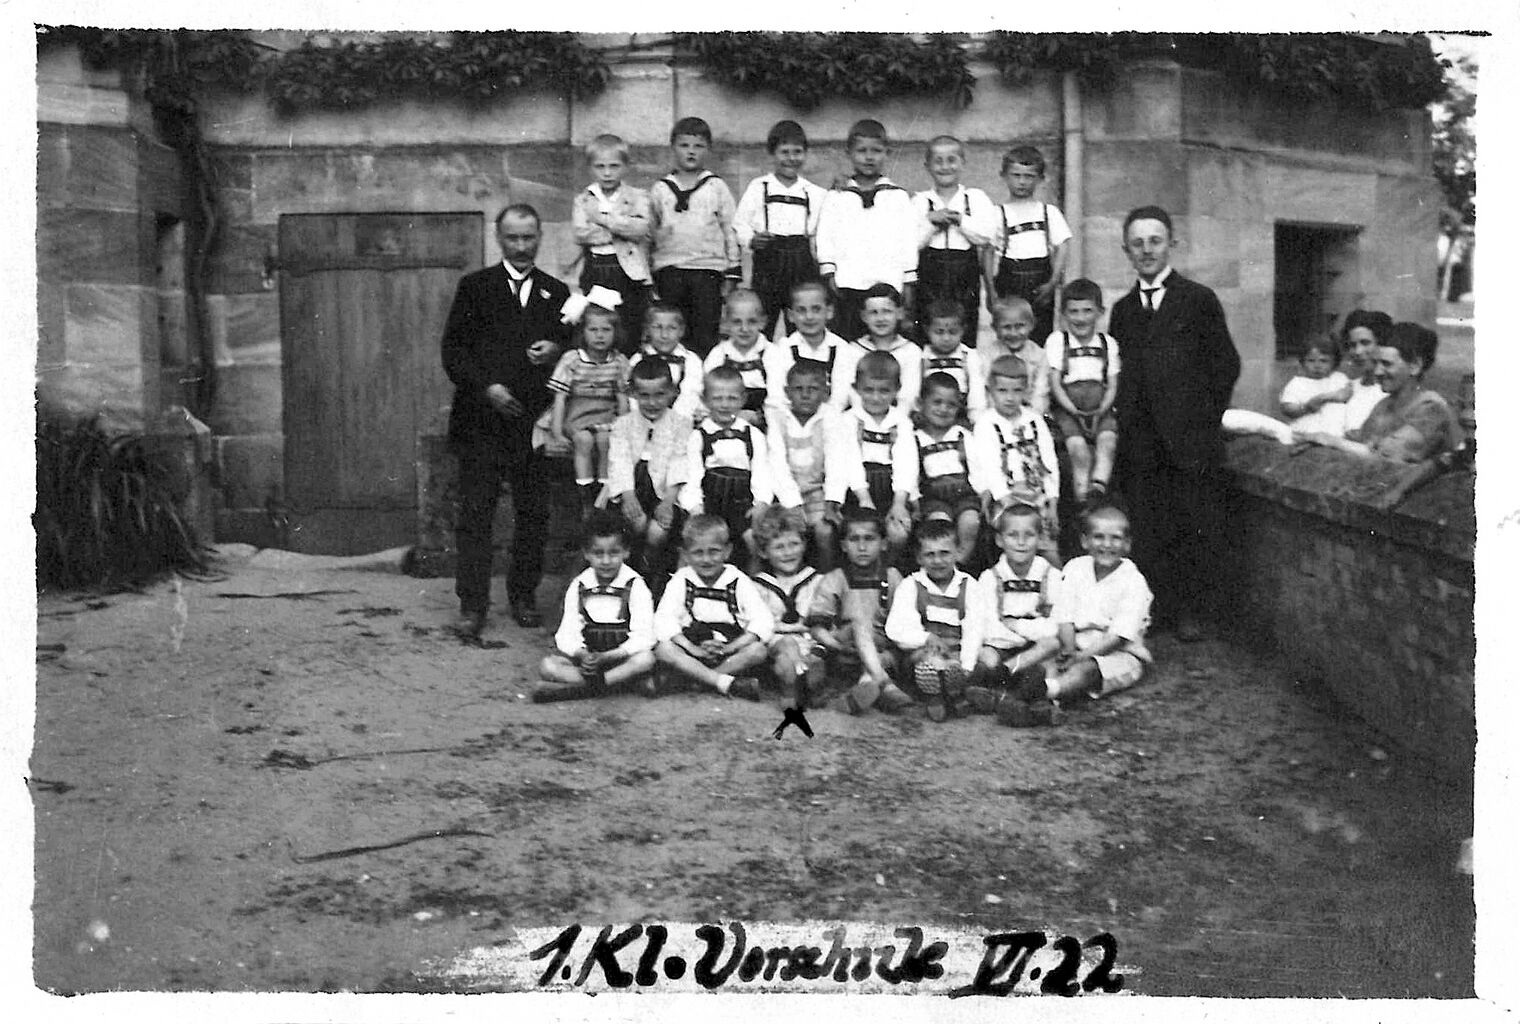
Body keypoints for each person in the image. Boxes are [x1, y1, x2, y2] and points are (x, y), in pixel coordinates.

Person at [1108, 204, 1240, 642]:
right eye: (1137, 243)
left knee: (1192, 524)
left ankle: (1190, 612)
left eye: (1155, 241)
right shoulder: (1123, 310)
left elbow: (1225, 365)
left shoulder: (1198, 300)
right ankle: (1154, 611)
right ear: (1127, 250)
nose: (1147, 250)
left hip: (1190, 443)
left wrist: (1200, 422)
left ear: (1171, 245)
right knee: (1148, 526)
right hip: (1141, 445)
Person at [441, 203, 570, 636]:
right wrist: (488, 388)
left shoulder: (556, 292)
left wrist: (556, 350)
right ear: (498, 239)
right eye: (512, 238)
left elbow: (576, 353)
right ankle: (472, 605)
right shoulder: (475, 287)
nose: (520, 246)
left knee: (532, 514)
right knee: (476, 515)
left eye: (528, 237)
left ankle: (523, 596)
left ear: (539, 238)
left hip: (531, 422)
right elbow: (453, 352)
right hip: (481, 421)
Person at [994, 502, 1153, 728]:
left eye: (1116, 538)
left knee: (1086, 670)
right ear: (1085, 541)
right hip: (1076, 644)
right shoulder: (1076, 568)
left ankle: (1037, 696)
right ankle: (1023, 700)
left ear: (1127, 544)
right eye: (1098, 537)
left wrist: (1080, 657)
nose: (1107, 545)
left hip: (1121, 653)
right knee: (1050, 664)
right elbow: (1065, 616)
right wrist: (1069, 650)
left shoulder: (1134, 581)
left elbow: (1118, 637)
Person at [533, 511, 656, 702]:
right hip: (588, 662)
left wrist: (610, 656)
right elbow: (567, 632)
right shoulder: (579, 585)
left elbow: (644, 635)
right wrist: (582, 654)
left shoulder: (635, 585)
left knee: (646, 659)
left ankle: (581, 690)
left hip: (621, 658)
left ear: (626, 552)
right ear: (587, 554)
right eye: (598, 553)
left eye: (614, 553)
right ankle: (615, 684)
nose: (606, 561)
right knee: (548, 666)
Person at [1295, 322, 1460, 464]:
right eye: (1376, 363)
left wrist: (1330, 441)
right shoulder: (1384, 406)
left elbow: (1388, 456)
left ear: (1414, 366)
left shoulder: (1431, 408)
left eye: (1387, 364)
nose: (1378, 371)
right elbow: (1360, 445)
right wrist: (1318, 442)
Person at [815, 119, 920, 341]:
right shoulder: (837, 195)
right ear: (849, 153)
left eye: (876, 151)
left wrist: (908, 278)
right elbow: (825, 236)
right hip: (848, 282)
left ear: (887, 153)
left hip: (887, 282)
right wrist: (829, 270)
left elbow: (908, 240)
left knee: (884, 338)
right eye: (862, 151)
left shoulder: (898, 196)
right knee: (849, 340)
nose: (869, 157)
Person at [652, 514, 773, 700]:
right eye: (698, 553)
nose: (706, 559)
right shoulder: (681, 579)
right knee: (664, 649)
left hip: (729, 650)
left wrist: (729, 648)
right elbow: (664, 619)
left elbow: (762, 620)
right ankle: (724, 683)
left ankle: (697, 680)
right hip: (692, 648)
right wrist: (691, 648)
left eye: (714, 551)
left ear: (727, 551)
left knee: (758, 650)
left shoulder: (738, 580)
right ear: (685, 554)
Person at [649, 116, 741, 355]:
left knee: (705, 332)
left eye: (698, 146)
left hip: (707, 270)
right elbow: (649, 232)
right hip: (670, 270)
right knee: (672, 329)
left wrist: (732, 271)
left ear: (708, 149)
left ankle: (702, 373)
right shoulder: (660, 189)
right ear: (673, 148)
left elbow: (730, 228)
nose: (691, 151)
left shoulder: (716, 187)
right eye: (684, 145)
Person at [808, 509, 914, 715]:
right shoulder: (835, 578)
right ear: (843, 546)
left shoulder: (892, 577)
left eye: (869, 539)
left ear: (883, 544)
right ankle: (884, 685)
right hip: (845, 649)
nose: (862, 547)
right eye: (854, 539)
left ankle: (863, 689)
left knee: (881, 655)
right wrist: (836, 644)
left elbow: (904, 621)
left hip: (882, 649)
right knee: (859, 623)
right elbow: (817, 627)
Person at [885, 518, 991, 723]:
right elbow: (896, 628)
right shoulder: (911, 585)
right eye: (930, 554)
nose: (938, 561)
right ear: (919, 558)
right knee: (928, 662)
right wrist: (926, 638)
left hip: (958, 651)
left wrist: (966, 665)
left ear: (958, 552)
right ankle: (942, 695)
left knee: (985, 661)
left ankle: (952, 688)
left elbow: (974, 628)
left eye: (944, 553)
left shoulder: (969, 585)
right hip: (924, 652)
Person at [967, 503, 1062, 715]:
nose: (1021, 542)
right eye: (1012, 535)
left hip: (1036, 648)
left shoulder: (1051, 576)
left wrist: (1017, 626)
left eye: (1029, 535)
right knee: (986, 656)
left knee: (1051, 647)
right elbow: (988, 626)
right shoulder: (990, 578)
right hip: (1002, 646)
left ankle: (1017, 692)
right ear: (999, 540)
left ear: (1040, 538)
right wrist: (1017, 638)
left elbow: (1055, 626)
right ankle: (1005, 693)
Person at [735, 120, 826, 340]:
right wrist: (752, 240)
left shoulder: (813, 192)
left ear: (805, 154)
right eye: (784, 152)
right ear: (772, 154)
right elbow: (740, 223)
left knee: (801, 319)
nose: (791, 158)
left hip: (801, 261)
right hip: (768, 260)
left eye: (797, 152)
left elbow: (823, 228)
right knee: (763, 318)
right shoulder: (759, 187)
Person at [605, 358, 692, 587]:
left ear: (672, 392)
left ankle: (652, 571)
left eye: (659, 395)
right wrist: (628, 497)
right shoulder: (623, 424)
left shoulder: (681, 423)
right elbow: (619, 461)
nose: (652, 403)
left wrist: (668, 503)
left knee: (656, 532)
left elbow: (679, 462)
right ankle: (631, 573)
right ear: (633, 394)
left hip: (665, 491)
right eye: (644, 395)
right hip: (632, 487)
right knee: (636, 522)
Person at [541, 304, 632, 515]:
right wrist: (557, 432)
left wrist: (624, 429)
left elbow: (622, 398)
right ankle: (586, 494)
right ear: (583, 332)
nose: (599, 336)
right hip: (577, 415)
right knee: (584, 440)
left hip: (605, 414)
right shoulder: (572, 359)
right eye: (593, 330)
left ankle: (604, 493)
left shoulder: (619, 361)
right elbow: (560, 398)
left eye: (606, 330)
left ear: (615, 333)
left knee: (605, 440)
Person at [971, 355, 1060, 563]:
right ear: (990, 391)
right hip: (1005, 499)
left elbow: (1049, 462)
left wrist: (1052, 502)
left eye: (1017, 391)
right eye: (1002, 391)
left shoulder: (1034, 420)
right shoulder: (986, 423)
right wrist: (1007, 501)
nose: (1010, 398)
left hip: (1037, 496)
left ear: (1026, 390)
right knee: (1017, 543)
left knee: (1049, 552)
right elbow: (989, 467)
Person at [679, 365, 773, 561]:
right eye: (717, 398)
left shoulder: (753, 435)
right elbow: (693, 476)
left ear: (743, 399)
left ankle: (756, 575)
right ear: (705, 399)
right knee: (698, 538)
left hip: (742, 503)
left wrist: (761, 503)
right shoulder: (698, 436)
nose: (724, 405)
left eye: (732, 398)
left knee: (753, 540)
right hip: (710, 503)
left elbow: (761, 472)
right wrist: (695, 509)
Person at [571, 133, 652, 352]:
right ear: (590, 168)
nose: (607, 173)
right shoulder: (584, 199)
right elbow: (581, 233)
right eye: (600, 166)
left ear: (625, 166)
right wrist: (621, 229)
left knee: (629, 325)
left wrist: (601, 219)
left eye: (614, 166)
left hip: (627, 271)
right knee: (596, 323)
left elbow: (640, 229)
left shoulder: (637, 196)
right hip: (596, 267)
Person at [769, 361, 852, 571]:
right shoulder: (778, 418)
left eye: (813, 389)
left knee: (824, 530)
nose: (805, 395)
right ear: (787, 392)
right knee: (786, 532)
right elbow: (777, 464)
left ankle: (826, 575)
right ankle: (791, 577)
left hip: (818, 492)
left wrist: (832, 501)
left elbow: (837, 461)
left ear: (825, 392)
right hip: (785, 494)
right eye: (798, 389)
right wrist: (792, 504)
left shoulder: (831, 417)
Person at [913, 135, 997, 340]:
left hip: (964, 276)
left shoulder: (975, 198)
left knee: (965, 326)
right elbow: (911, 242)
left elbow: (986, 235)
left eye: (951, 160)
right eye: (938, 161)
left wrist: (960, 220)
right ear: (927, 166)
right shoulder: (919, 201)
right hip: (930, 277)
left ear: (962, 163)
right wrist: (931, 222)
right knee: (928, 327)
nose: (945, 167)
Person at [987, 145, 1071, 346]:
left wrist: (1053, 282)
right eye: (1016, 175)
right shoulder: (997, 213)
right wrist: (990, 290)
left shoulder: (1048, 212)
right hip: (1009, 281)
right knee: (1009, 332)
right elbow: (988, 252)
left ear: (1040, 178)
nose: (1022, 182)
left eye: (1029, 176)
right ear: (1004, 176)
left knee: (1040, 334)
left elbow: (1063, 246)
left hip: (1041, 282)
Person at [1045, 278, 1120, 501]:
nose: (1080, 318)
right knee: (1079, 453)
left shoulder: (1107, 343)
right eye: (1073, 311)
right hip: (1068, 407)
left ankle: (1098, 488)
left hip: (1100, 406)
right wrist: (1072, 409)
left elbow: (1112, 383)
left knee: (1108, 444)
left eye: (1087, 311)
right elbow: (1055, 382)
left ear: (1100, 312)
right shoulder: (1058, 340)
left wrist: (1102, 408)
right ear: (1063, 314)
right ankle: (1082, 499)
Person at [751, 505, 826, 707]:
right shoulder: (758, 586)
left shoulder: (816, 580)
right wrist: (790, 633)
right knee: (787, 647)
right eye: (779, 547)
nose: (788, 553)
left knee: (814, 653)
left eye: (794, 544)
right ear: (764, 552)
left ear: (804, 545)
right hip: (776, 644)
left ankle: (806, 681)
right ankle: (792, 691)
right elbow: (761, 625)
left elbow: (821, 619)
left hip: (810, 642)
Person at [844, 351, 916, 559]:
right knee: (863, 532)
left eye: (884, 391)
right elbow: (850, 462)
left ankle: (888, 570)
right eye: (868, 390)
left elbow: (906, 464)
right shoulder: (849, 420)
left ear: (897, 389)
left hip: (891, 490)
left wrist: (899, 503)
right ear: (857, 388)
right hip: (858, 491)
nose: (876, 397)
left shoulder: (901, 422)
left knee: (898, 533)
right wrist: (864, 499)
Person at [1375, 373, 1475, 509]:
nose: (1466, 415)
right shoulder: (1465, 453)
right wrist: (1399, 490)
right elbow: (1432, 466)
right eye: (1462, 406)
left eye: (1476, 406)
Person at [914, 373, 982, 567]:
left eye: (951, 405)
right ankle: (938, 563)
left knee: (970, 522)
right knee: (939, 523)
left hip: (963, 493)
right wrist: (913, 500)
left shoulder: (962, 435)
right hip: (933, 495)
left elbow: (977, 467)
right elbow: (911, 473)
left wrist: (983, 492)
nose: (943, 409)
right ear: (921, 403)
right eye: (937, 402)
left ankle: (958, 563)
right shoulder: (915, 438)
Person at [764, 280, 858, 420]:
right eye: (801, 310)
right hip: (790, 420)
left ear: (829, 312)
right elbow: (777, 397)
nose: (809, 316)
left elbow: (840, 399)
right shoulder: (781, 350)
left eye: (816, 309)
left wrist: (820, 422)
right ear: (790, 315)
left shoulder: (844, 350)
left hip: (831, 421)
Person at [703, 288, 774, 429]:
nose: (744, 329)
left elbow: (777, 399)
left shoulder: (771, 354)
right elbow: (706, 393)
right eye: (737, 322)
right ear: (726, 323)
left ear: (762, 322)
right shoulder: (718, 354)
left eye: (751, 322)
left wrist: (761, 417)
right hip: (722, 418)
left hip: (762, 421)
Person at [849, 283, 924, 413]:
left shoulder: (911, 351)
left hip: (899, 417)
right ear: (864, 317)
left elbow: (908, 397)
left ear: (900, 313)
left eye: (887, 311)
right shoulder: (851, 350)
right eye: (873, 312)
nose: (880, 318)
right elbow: (849, 393)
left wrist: (892, 420)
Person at [628, 302, 705, 425]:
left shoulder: (692, 361)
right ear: (647, 330)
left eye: (672, 328)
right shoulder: (637, 360)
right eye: (657, 327)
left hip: (683, 423)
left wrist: (674, 422)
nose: (664, 335)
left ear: (681, 331)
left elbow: (693, 394)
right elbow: (633, 398)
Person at [919, 298, 988, 422]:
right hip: (929, 415)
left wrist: (976, 417)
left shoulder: (969, 356)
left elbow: (976, 389)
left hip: (960, 414)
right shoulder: (922, 356)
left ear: (963, 330)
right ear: (927, 330)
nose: (946, 338)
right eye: (939, 332)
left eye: (953, 332)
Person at [984, 295, 1050, 416]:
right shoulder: (988, 355)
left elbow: (1040, 392)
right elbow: (987, 391)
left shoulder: (1039, 355)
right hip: (996, 412)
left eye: (1020, 326)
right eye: (1006, 327)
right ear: (995, 328)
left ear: (1031, 325)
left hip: (1029, 411)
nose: (1013, 333)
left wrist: (1032, 417)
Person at [1279, 337, 1351, 435]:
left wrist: (1324, 398)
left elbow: (1347, 394)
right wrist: (1306, 408)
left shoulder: (1339, 379)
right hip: (1305, 433)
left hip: (1335, 434)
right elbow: (1287, 408)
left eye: (1324, 361)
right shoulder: (1297, 384)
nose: (1317, 366)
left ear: (1334, 363)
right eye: (1311, 361)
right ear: (1302, 362)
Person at [1339, 310, 1395, 433]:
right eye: (1352, 345)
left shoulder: (1392, 392)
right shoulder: (1347, 388)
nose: (1358, 351)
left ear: (1382, 343)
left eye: (1365, 343)